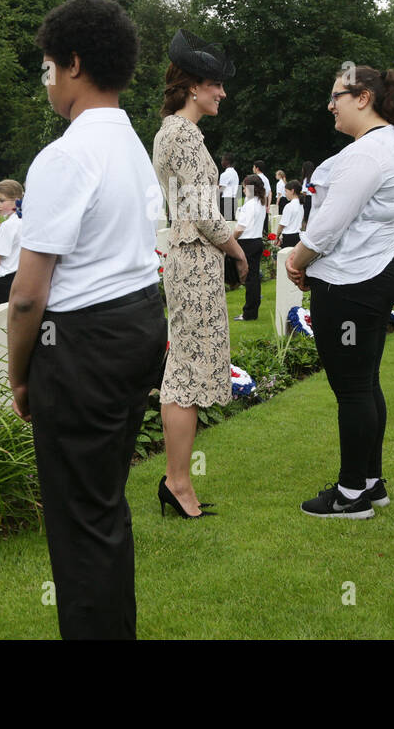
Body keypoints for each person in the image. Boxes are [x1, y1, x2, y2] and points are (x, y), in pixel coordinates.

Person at [8, 0, 167, 640]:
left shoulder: (66, 155)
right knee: (101, 509)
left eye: (47, 66)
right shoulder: (129, 143)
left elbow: (26, 295)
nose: (45, 80)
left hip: (82, 343)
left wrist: (20, 374)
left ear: (72, 63)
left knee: (78, 525)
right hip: (136, 324)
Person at [287, 65, 394, 518]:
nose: (330, 105)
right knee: (366, 383)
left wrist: (297, 261)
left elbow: (328, 225)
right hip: (371, 273)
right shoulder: (383, 145)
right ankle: (371, 482)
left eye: (336, 96)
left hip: (352, 281)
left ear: (363, 98)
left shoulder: (368, 153)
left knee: (353, 389)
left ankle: (352, 492)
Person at [151, 29, 247, 519]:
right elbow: (202, 213)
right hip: (193, 263)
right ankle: (177, 483)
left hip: (192, 261)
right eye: (216, 85)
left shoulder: (181, 133)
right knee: (184, 374)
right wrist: (237, 249)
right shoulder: (182, 135)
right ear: (193, 86)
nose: (222, 93)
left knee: (184, 370)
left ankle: (178, 480)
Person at [232, 175, 267, 322]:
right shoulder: (260, 202)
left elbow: (240, 228)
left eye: (245, 187)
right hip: (257, 241)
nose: (244, 190)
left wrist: (231, 240)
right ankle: (252, 311)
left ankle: (249, 313)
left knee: (250, 280)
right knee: (253, 279)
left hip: (248, 242)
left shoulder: (250, 204)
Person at [276, 180, 304, 249]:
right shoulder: (301, 205)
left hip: (288, 237)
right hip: (297, 236)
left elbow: (282, 224)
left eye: (286, 191)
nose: (285, 194)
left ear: (292, 191)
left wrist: (277, 237)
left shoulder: (289, 206)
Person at [218, 154, 239, 222]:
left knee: (225, 223)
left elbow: (220, 190)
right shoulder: (235, 173)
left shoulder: (225, 174)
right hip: (233, 200)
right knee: (231, 222)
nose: (221, 162)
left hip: (226, 201)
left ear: (227, 161)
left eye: (222, 160)